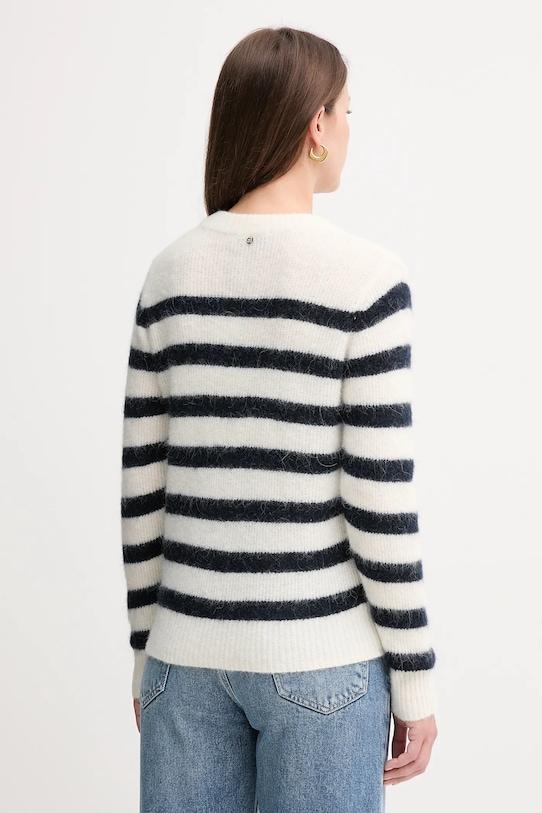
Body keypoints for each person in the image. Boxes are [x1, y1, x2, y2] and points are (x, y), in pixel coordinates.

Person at [120, 25, 438, 813]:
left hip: (183, 660)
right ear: (315, 126)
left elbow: (142, 496)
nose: (350, 127)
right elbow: (377, 499)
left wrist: (145, 656)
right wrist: (415, 676)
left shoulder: (169, 275)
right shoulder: (366, 280)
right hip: (322, 661)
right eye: (347, 110)